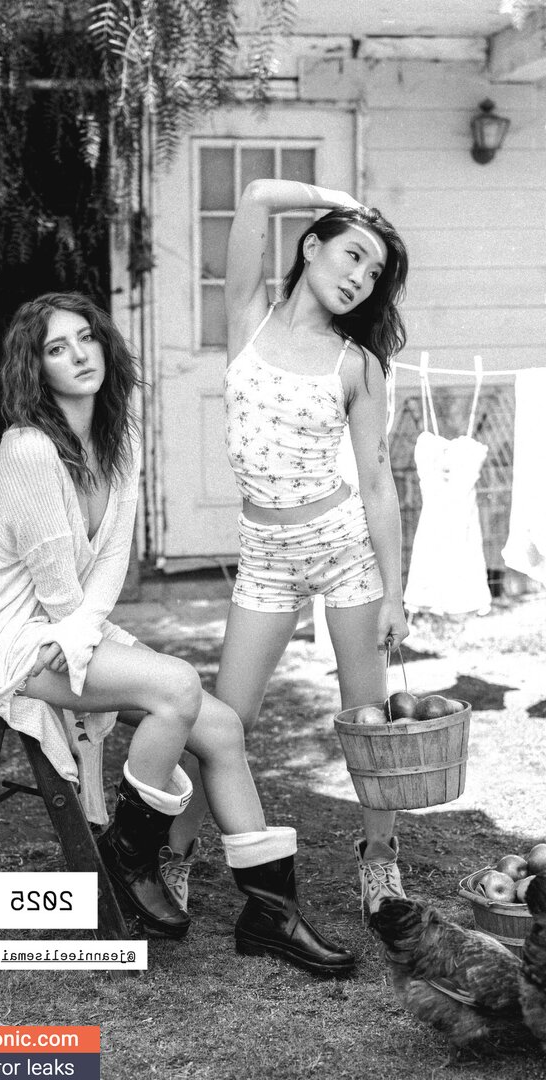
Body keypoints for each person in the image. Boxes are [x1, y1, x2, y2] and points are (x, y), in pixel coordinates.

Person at [0, 290, 354, 977]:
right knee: (176, 687)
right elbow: (56, 587)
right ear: (36, 368)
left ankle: (271, 914)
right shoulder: (28, 449)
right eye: (57, 348)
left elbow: (112, 561)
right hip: (17, 639)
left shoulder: (118, 437)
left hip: (75, 626)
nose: (80, 356)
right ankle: (128, 859)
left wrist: (89, 636)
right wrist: (85, 640)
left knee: (220, 727)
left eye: (87, 338)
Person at [163, 179, 411, 919]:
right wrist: (340, 198)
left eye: (374, 272)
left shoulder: (355, 364)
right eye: (352, 255)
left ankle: (381, 861)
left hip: (343, 550)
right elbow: (254, 198)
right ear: (312, 246)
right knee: (223, 719)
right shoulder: (248, 317)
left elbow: (377, 483)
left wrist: (395, 594)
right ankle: (174, 855)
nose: (360, 278)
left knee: (367, 722)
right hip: (265, 557)